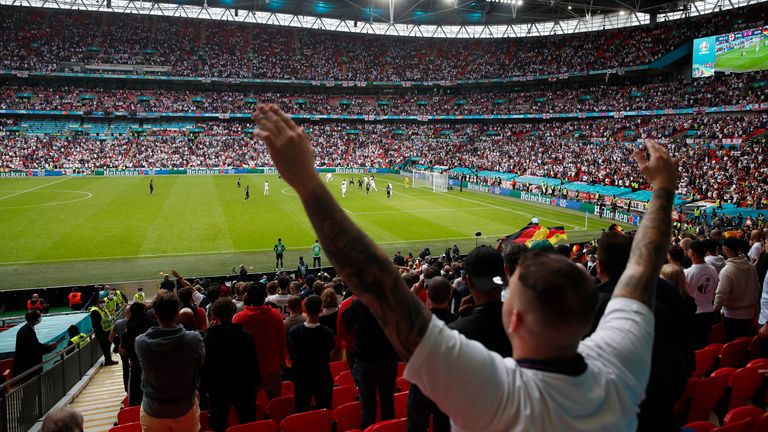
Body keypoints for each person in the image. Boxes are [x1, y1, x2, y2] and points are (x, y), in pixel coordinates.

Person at [253, 104, 676, 431]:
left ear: (515, 317)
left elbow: (381, 288)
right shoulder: (620, 364)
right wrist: (662, 190)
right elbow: (641, 271)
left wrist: (306, 181)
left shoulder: (495, 392)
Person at [136, 291, 204, 431]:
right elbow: (200, 364)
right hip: (185, 410)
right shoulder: (194, 339)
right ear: (177, 313)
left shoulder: (140, 342)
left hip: (152, 411)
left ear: (155, 314)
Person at [203, 298, 259, 432]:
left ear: (214, 316)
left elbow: (206, 368)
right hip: (244, 388)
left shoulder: (208, 339)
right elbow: (254, 366)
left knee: (218, 425)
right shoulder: (246, 336)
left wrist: (207, 388)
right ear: (233, 313)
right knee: (248, 423)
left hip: (219, 390)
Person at [233, 283, 287, 400]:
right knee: (275, 405)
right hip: (271, 368)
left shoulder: (239, 318)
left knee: (250, 408)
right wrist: (281, 362)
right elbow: (281, 342)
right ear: (264, 296)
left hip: (249, 371)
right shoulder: (275, 315)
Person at [288, 295, 336, 412]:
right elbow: (330, 353)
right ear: (321, 310)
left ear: (304, 309)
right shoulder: (328, 333)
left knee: (302, 411)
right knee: (324, 411)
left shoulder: (294, 332)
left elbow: (292, 354)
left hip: (302, 378)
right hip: (322, 377)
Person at [714, 237, 761, 341]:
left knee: (733, 345)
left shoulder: (727, 271)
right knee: (743, 344)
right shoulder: (750, 266)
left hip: (732, 316)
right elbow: (757, 287)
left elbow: (721, 294)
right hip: (749, 314)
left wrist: (715, 309)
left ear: (726, 249)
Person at [684, 240, 719, 349]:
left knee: (695, 345)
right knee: (703, 341)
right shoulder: (712, 269)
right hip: (708, 310)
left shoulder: (687, 273)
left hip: (694, 313)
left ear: (692, 253)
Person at [13, 310, 60, 379]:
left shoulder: (26, 329)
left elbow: (35, 345)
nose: (40, 318)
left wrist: (47, 346)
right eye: (38, 317)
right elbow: (36, 348)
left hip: (26, 366)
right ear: (34, 319)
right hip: (27, 368)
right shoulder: (27, 332)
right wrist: (49, 348)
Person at [90, 297, 118, 366]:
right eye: (101, 303)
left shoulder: (103, 309)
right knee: (105, 347)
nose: (103, 304)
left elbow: (108, 318)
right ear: (97, 304)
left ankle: (109, 360)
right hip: (102, 333)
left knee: (108, 346)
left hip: (108, 331)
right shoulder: (95, 311)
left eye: (103, 303)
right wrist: (100, 335)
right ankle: (108, 361)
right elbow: (95, 324)